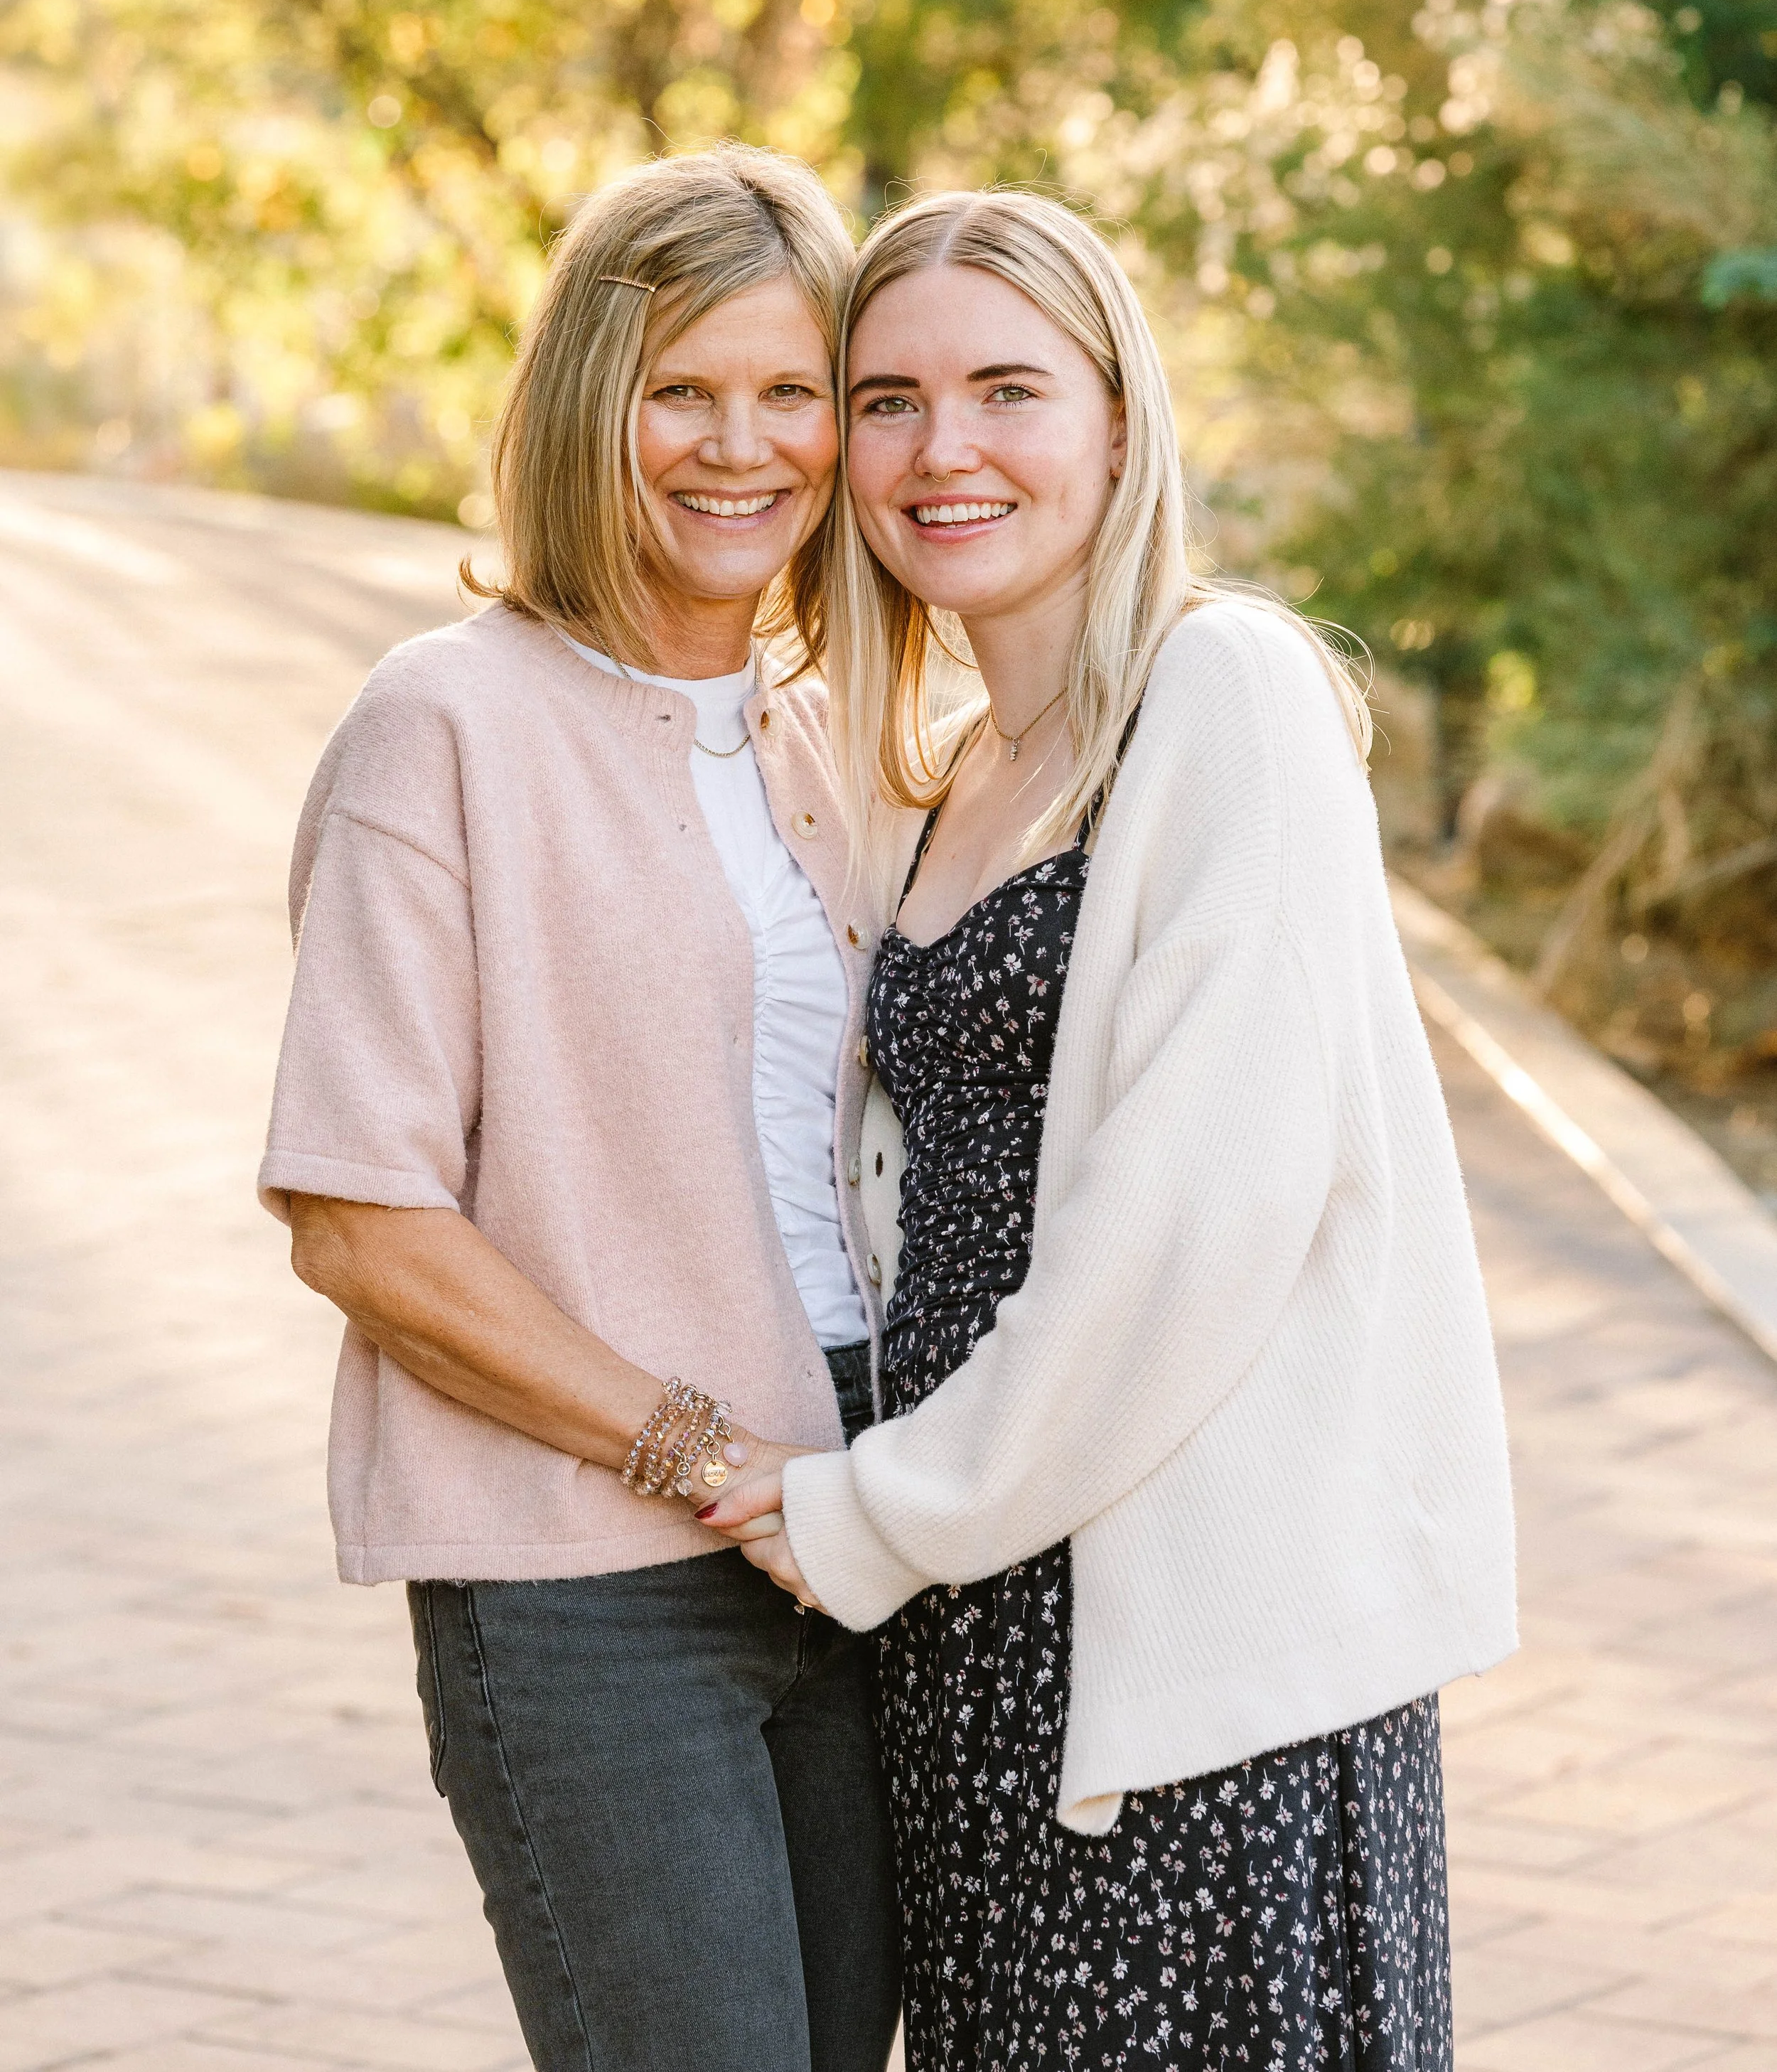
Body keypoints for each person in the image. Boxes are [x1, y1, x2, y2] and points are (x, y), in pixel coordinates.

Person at [703, 188, 1517, 2071]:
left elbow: (1194, 1219)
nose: (943, 448)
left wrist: (866, 1513)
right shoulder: (947, 768)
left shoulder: (1220, 695)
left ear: (1119, 422)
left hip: (1180, 1635)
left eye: (1007, 387)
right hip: (974, 1628)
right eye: (887, 398)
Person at [257, 145, 901, 2072]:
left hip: (855, 1535)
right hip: (591, 1584)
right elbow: (360, 1215)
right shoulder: (442, 723)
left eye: (791, 390)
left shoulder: (819, 728)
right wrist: (708, 1456)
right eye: (679, 391)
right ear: (582, 407)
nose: (741, 446)